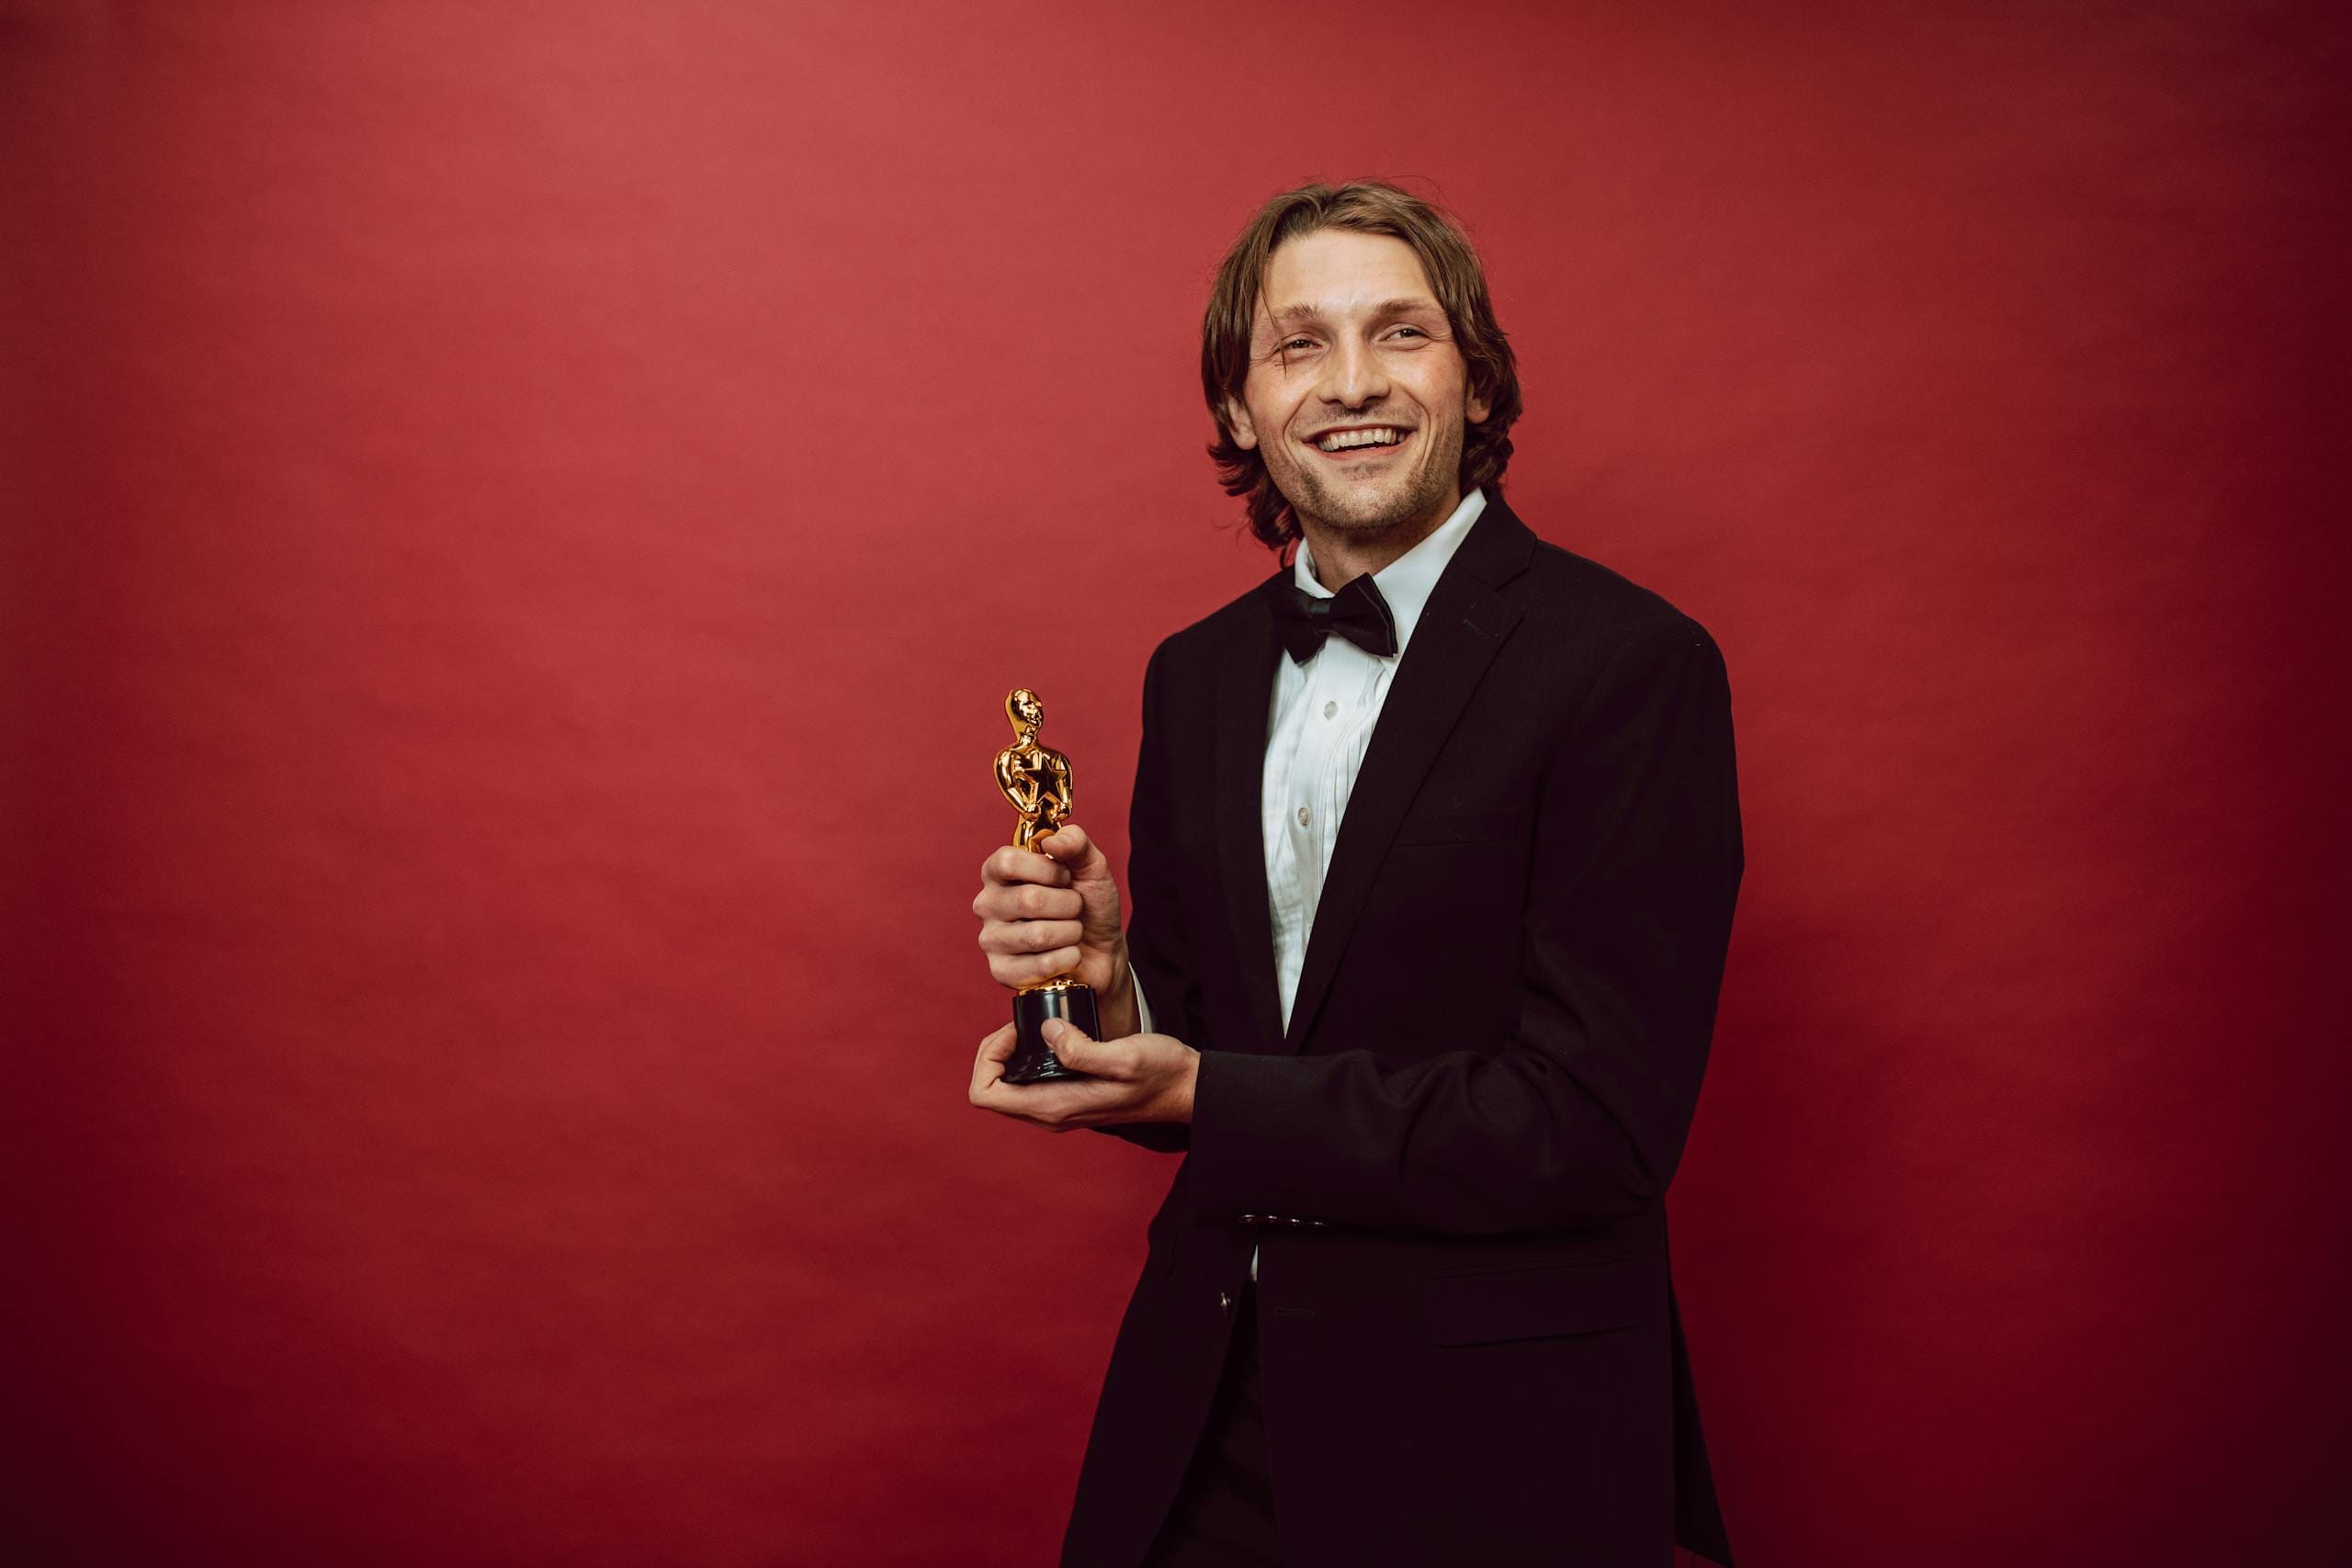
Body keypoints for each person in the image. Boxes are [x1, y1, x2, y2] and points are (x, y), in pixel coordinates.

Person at [968, 180, 1743, 1568]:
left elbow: (1593, 1127)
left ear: (1477, 379)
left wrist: (1203, 1089)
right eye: (1299, 345)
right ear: (1239, 409)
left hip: (1501, 1453)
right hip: (1203, 1424)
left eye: (1401, 332)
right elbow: (1209, 1058)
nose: (1353, 383)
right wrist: (1111, 990)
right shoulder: (1196, 675)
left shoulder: (1630, 665)